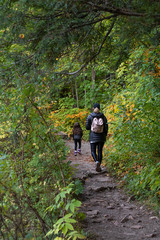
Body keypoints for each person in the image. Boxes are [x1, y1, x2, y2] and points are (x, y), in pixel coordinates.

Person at [86, 103, 108, 172]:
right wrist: (105, 134)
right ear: (99, 108)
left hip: (93, 136)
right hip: (101, 137)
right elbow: (106, 126)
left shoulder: (90, 116)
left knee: (93, 151)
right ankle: (99, 165)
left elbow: (87, 127)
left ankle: (96, 162)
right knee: (100, 151)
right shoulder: (103, 116)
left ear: (93, 108)